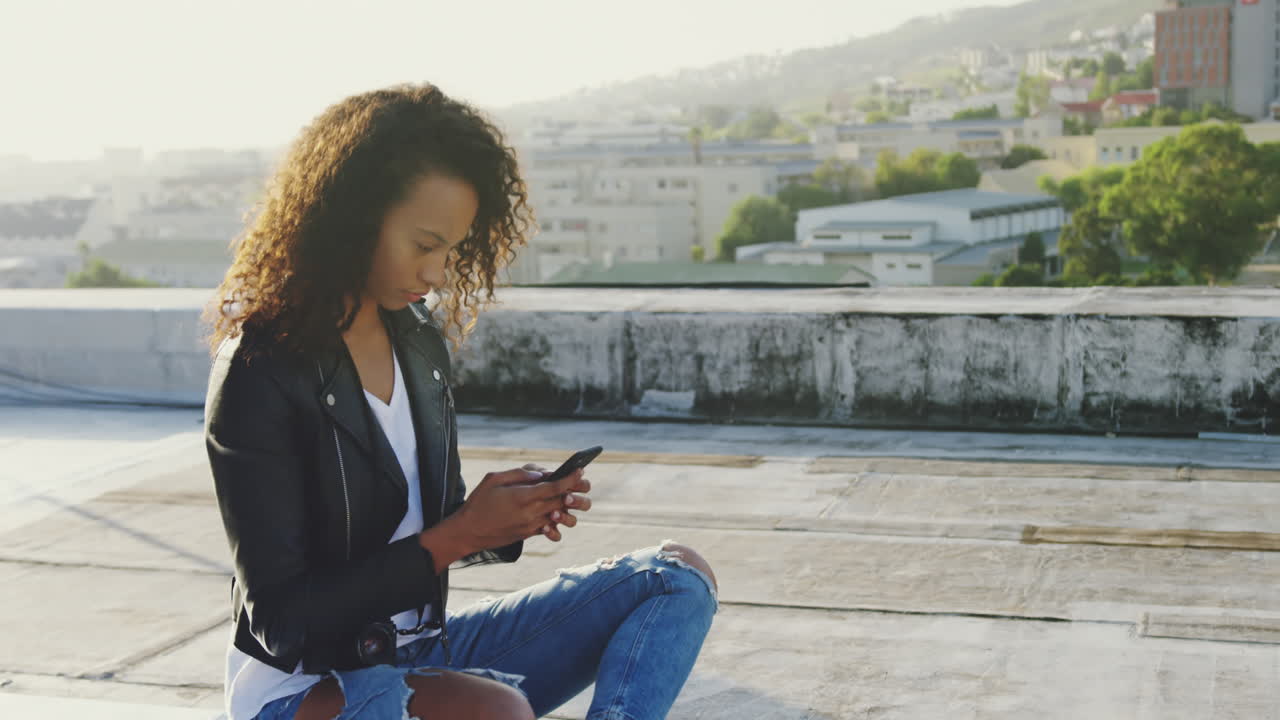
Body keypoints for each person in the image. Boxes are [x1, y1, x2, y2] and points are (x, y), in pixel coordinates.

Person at [202, 83, 719, 720]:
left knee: (676, 579)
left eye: (452, 249)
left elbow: (426, 528)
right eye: (423, 245)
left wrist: (499, 519)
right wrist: (458, 536)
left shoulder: (417, 341)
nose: (438, 273)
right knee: (498, 712)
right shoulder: (262, 370)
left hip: (423, 652)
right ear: (352, 216)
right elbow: (281, 620)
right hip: (305, 686)